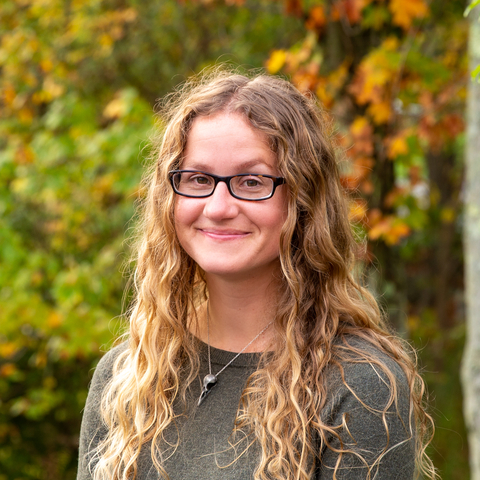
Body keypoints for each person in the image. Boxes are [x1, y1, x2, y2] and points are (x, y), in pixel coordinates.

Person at [77, 71, 436, 480]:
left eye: (251, 181)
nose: (218, 206)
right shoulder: (127, 376)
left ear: (303, 199)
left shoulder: (358, 385)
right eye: (198, 179)